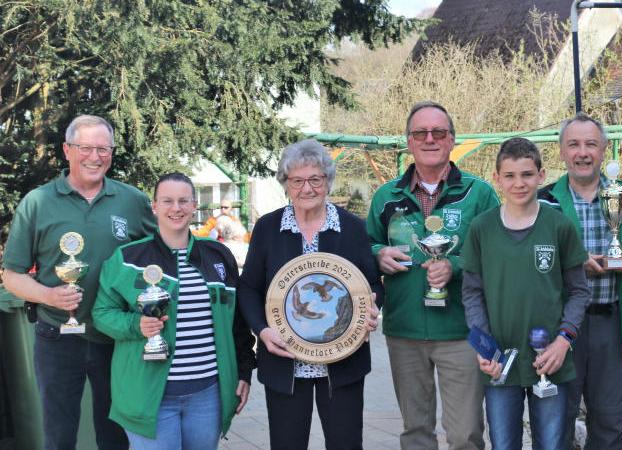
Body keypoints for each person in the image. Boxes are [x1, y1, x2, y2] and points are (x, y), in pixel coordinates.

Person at [1, 115, 156, 450]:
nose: (95, 156)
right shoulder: (37, 202)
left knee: (115, 436)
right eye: (86, 147)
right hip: (57, 337)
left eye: (103, 148)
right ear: (67, 150)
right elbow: (11, 275)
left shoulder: (133, 201)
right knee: (59, 435)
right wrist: (49, 295)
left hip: (116, 339)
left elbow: (159, 257)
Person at [366, 100, 499, 449]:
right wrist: (377, 254)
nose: (429, 139)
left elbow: (497, 253)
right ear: (409, 142)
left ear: (452, 140)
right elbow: (364, 247)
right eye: (420, 133)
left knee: (465, 434)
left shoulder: (479, 193)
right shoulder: (385, 197)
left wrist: (453, 266)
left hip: (461, 330)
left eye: (438, 132)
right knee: (415, 433)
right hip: (404, 329)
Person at [238, 139, 383, 450]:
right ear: (286, 184)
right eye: (297, 181)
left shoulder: (352, 228)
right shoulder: (267, 228)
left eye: (315, 179)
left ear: (328, 181)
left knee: (345, 445)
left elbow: (372, 285)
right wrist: (262, 331)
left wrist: (371, 309)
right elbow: (248, 288)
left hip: (343, 364)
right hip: (284, 361)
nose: (307, 188)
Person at [92, 173, 255, 448]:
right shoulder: (128, 258)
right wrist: (136, 325)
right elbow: (101, 313)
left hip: (207, 395)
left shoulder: (218, 255)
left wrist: (244, 372)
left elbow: (237, 323)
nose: (175, 208)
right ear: (154, 207)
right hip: (149, 396)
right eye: (167, 200)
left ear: (194, 206)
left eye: (183, 201)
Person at [461, 138, 590, 450]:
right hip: (501, 362)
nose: (519, 183)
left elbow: (579, 291)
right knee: (504, 444)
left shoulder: (559, 226)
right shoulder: (481, 228)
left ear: (542, 175)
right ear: (497, 179)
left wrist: (563, 342)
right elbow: (471, 294)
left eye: (527, 174)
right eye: (510, 176)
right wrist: (485, 347)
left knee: (551, 444)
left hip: (550, 360)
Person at [537, 113, 622, 449]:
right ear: (561, 151)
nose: (583, 152)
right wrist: (573, 266)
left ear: (604, 149)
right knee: (556, 422)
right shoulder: (544, 201)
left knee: (608, 421)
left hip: (611, 320)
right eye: (574, 144)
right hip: (560, 327)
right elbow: (530, 255)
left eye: (591, 144)